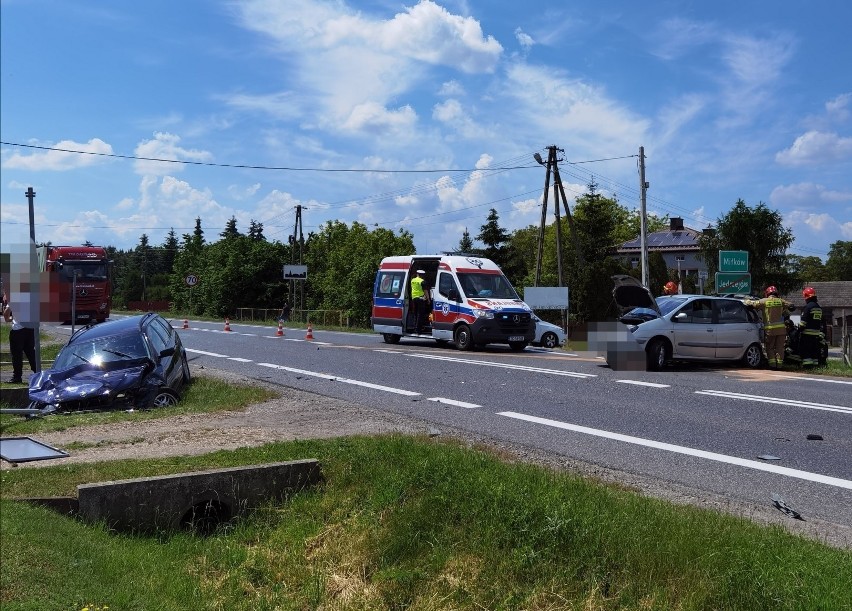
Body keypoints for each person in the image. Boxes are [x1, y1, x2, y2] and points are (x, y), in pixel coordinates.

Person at [745, 285, 793, 369]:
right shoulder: (781, 301)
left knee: (770, 347)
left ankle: (772, 365)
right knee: (780, 348)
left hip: (770, 330)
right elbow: (792, 306)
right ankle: (780, 365)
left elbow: (752, 304)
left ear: (767, 293)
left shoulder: (764, 301)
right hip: (781, 330)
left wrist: (747, 301)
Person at [2, 299, 37, 384]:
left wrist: (9, 319)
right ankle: (38, 372)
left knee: (17, 354)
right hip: (30, 328)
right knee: (31, 353)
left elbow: (6, 312)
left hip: (18, 330)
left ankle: (17, 376)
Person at [799, 287, 824, 368]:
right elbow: (821, 321)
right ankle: (815, 365)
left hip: (807, 334)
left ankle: (807, 365)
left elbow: (803, 323)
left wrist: (798, 331)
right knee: (814, 350)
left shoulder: (808, 307)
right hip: (816, 334)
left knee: (806, 350)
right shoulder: (818, 308)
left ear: (806, 297)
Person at [410, 269, 431, 334]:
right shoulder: (422, 281)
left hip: (414, 298)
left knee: (415, 313)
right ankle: (418, 329)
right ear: (422, 275)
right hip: (421, 299)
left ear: (417, 274)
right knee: (420, 314)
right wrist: (428, 299)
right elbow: (425, 291)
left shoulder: (412, 280)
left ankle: (415, 327)